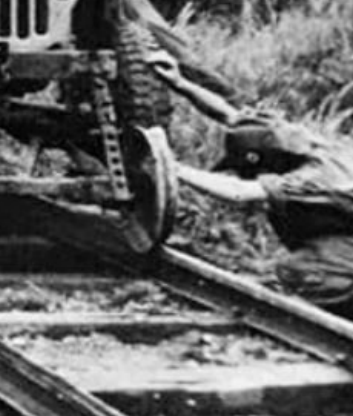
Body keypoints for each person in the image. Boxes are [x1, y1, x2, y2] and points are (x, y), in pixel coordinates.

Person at [147, 49, 353, 317]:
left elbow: (238, 193)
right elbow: (233, 118)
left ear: (258, 159)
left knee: (297, 270)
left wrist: (171, 168)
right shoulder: (306, 143)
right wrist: (181, 83)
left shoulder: (311, 180)